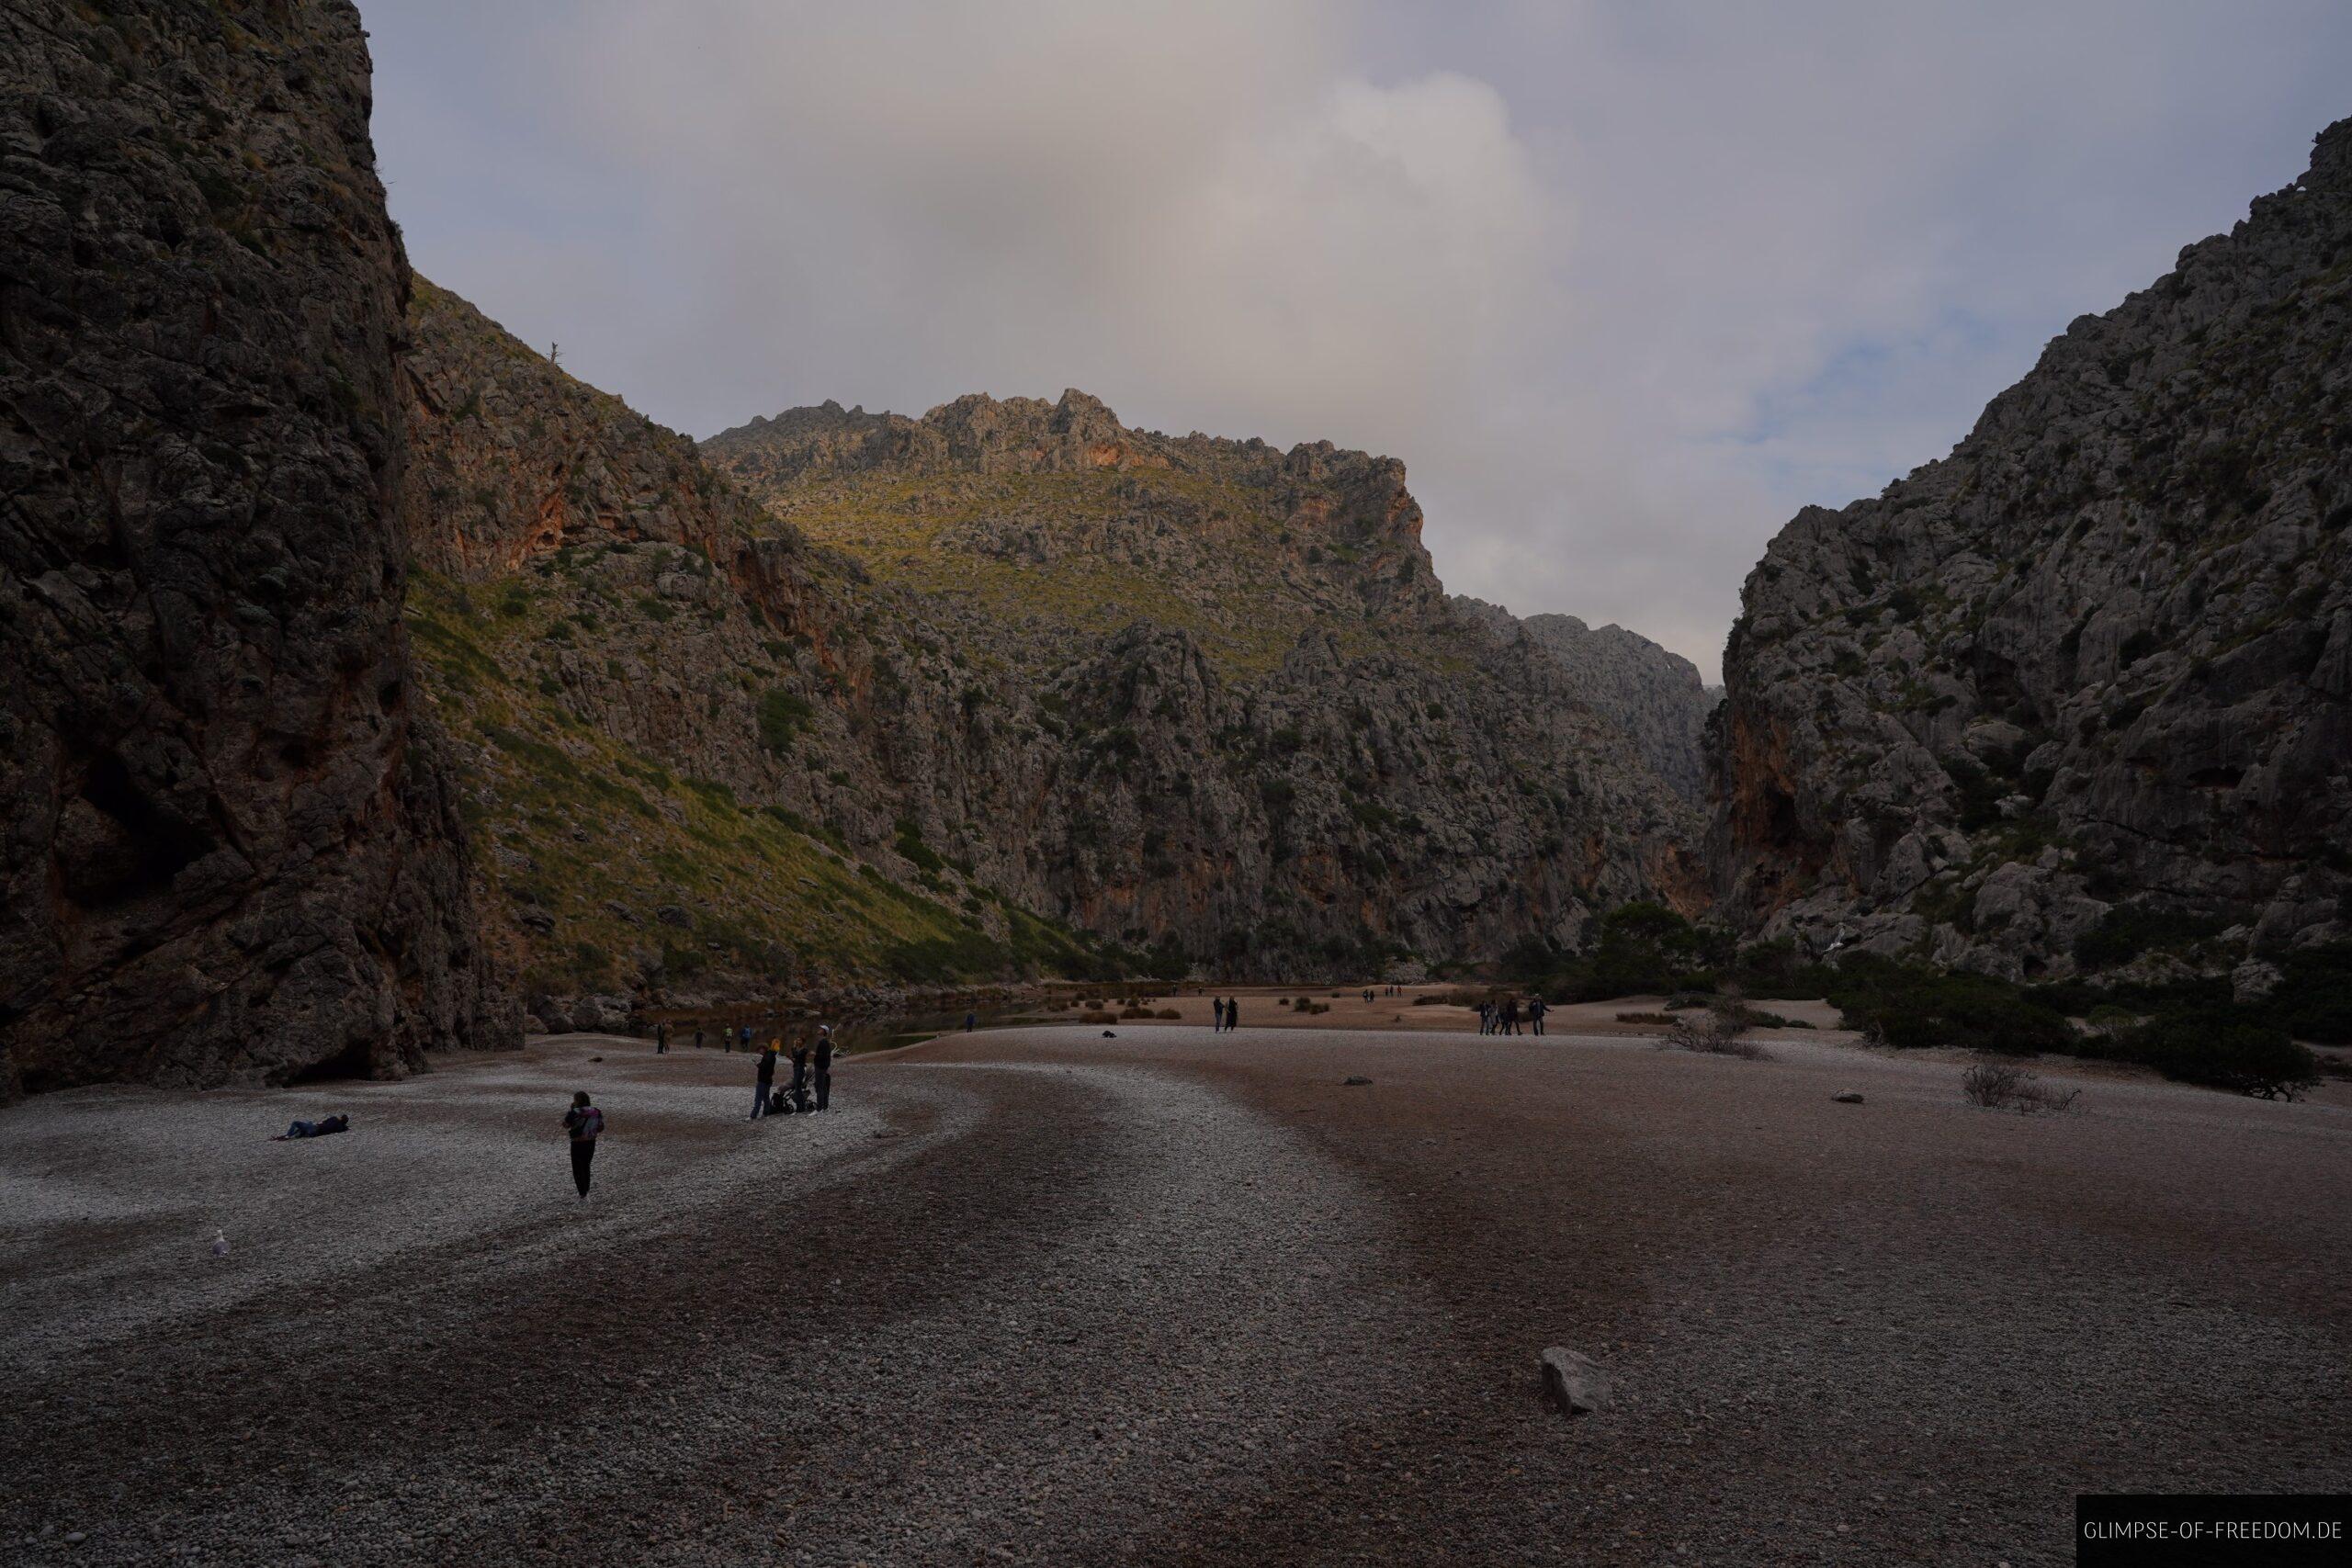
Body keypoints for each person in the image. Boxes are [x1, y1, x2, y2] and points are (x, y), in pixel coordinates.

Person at [562, 1092, 603, 1201]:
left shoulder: (574, 1112)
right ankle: (587, 1190)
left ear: (577, 1100)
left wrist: (571, 1111)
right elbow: (600, 1128)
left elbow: (565, 1125)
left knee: (577, 1168)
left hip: (577, 1142)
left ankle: (582, 1193)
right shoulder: (596, 1111)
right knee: (586, 1166)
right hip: (591, 1142)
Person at [273, 1113, 349, 1141]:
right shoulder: (341, 1127)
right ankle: (298, 1135)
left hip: (315, 1129)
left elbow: (322, 1122)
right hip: (315, 1134)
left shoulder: (334, 1118)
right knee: (308, 1124)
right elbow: (345, 1128)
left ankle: (288, 1136)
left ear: (341, 1118)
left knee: (296, 1123)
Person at [752, 1043, 777, 1120]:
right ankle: (766, 1113)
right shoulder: (771, 1055)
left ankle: (753, 1115)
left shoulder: (767, 1056)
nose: (759, 1052)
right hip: (768, 1080)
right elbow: (769, 1068)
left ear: (763, 1049)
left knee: (758, 1098)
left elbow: (764, 1067)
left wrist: (757, 1064)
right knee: (766, 1097)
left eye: (759, 1050)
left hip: (763, 1080)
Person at [813, 1025, 834, 1111]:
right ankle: (825, 1106)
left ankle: (819, 1108)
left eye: (821, 1029)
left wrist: (814, 1054)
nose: (819, 1030)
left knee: (820, 1087)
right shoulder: (823, 1041)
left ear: (824, 1031)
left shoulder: (823, 1042)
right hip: (822, 1067)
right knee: (823, 1087)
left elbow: (824, 1056)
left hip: (820, 1067)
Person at [787, 1043, 811, 1112]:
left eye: (799, 1040)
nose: (797, 1042)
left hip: (800, 1069)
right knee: (797, 1088)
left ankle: (801, 1107)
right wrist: (791, 1058)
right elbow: (796, 1060)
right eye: (797, 1040)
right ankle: (800, 1106)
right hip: (796, 1068)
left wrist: (793, 1049)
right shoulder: (798, 1050)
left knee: (798, 1088)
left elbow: (797, 1056)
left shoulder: (804, 1050)